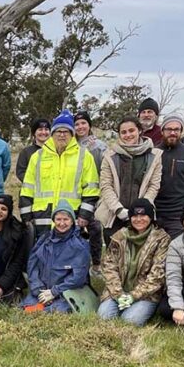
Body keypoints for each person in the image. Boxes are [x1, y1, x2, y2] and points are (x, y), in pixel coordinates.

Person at [19, 109, 100, 238]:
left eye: (66, 131)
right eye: (58, 131)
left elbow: (91, 189)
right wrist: (27, 217)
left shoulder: (84, 156)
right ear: (52, 134)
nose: (62, 135)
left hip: (71, 217)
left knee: (69, 256)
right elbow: (27, 188)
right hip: (42, 218)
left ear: (72, 134)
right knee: (43, 255)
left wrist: (84, 215)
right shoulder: (37, 156)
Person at [97, 199, 170, 326]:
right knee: (103, 318)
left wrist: (133, 296)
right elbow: (109, 267)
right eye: (135, 216)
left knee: (129, 322)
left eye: (143, 215)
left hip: (146, 295)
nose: (139, 219)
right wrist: (118, 294)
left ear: (151, 217)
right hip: (117, 292)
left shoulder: (161, 239)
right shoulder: (119, 236)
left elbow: (157, 276)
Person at [97, 116, 163, 245]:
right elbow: (105, 186)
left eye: (131, 130)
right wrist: (119, 210)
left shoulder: (154, 156)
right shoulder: (110, 156)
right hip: (114, 216)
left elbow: (154, 186)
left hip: (142, 216)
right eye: (123, 132)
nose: (128, 135)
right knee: (114, 260)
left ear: (139, 130)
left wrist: (141, 208)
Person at [20, 201, 89, 313]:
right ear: (54, 220)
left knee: (56, 310)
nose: (62, 223)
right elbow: (33, 265)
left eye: (66, 219)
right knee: (26, 308)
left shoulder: (80, 246)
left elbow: (78, 277)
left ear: (72, 221)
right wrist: (39, 290)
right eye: (58, 219)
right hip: (43, 291)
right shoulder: (44, 239)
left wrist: (54, 292)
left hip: (65, 292)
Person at [155, 114, 184, 238]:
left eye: (176, 129)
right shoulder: (153, 153)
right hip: (156, 213)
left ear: (181, 131)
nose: (172, 133)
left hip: (179, 214)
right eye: (169, 129)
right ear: (162, 131)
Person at [73, 110, 106, 271]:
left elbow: (104, 170)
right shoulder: (70, 146)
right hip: (73, 195)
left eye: (83, 123)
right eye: (77, 124)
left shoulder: (99, 146)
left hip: (93, 195)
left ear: (89, 125)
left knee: (94, 229)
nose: (80, 127)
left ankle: (97, 264)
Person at [15, 117, 51, 183]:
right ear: (34, 133)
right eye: (40, 129)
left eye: (46, 129)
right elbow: (20, 173)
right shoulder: (26, 152)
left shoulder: (55, 151)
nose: (43, 132)